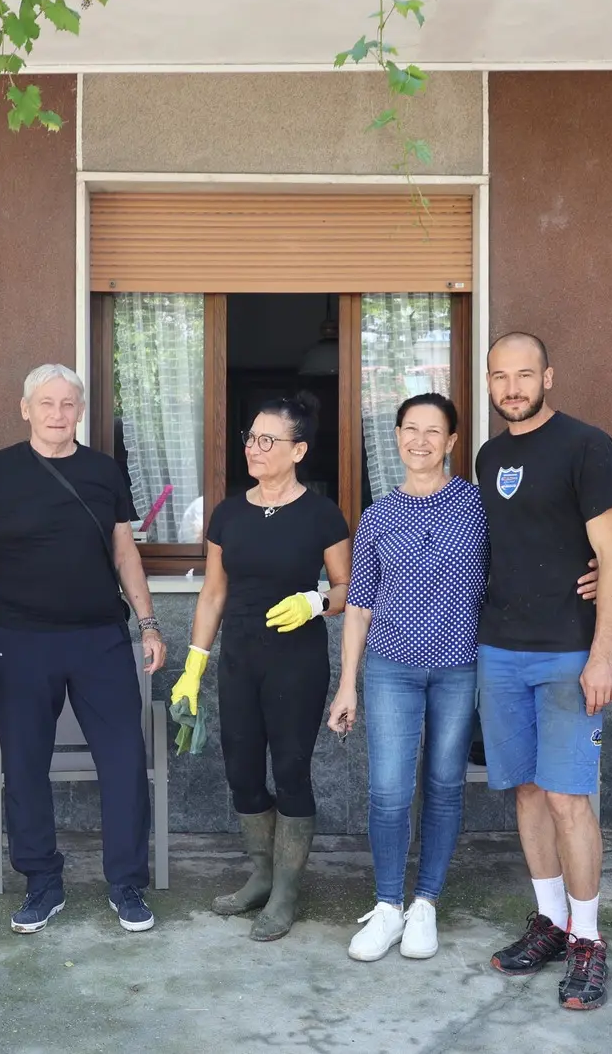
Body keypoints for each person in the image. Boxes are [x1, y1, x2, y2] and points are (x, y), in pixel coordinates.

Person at [328, 393, 599, 962]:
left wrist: (592, 568)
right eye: (410, 429)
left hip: (459, 668)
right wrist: (348, 680)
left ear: (453, 442)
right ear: (396, 436)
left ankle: (425, 903)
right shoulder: (377, 515)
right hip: (389, 668)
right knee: (388, 790)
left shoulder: (478, 506)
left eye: (434, 431)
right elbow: (359, 603)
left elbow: (532, 547)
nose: (420, 441)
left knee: (446, 785)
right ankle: (387, 907)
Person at [0, 363, 167, 935]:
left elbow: (125, 555)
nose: (56, 414)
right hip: (20, 641)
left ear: (79, 410)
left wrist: (147, 624)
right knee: (23, 767)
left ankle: (126, 885)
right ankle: (43, 882)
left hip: (100, 639)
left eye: (67, 404)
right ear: (25, 408)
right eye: (45, 403)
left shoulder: (103, 472)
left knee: (123, 761)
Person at [476, 332, 612, 1011]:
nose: (512, 387)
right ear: (488, 381)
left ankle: (589, 940)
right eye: (500, 376)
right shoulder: (488, 456)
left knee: (570, 798)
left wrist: (603, 653)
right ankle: (550, 921)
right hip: (500, 649)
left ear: (549, 376)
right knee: (529, 793)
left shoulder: (587, 446)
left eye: (524, 374)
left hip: (569, 651)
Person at [171, 392, 352, 942]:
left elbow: (349, 588)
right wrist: (194, 666)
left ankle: (287, 892)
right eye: (250, 437)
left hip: (297, 662)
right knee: (242, 772)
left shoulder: (322, 514)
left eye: (267, 440)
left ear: (297, 450)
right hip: (239, 658)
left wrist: (316, 601)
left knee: (291, 771)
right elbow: (213, 593)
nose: (254, 447)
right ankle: (262, 874)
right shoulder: (228, 513)